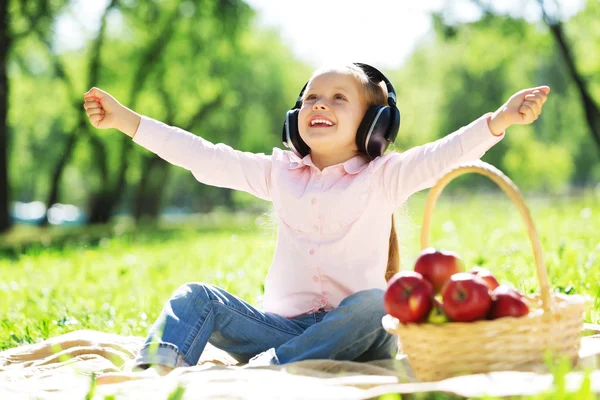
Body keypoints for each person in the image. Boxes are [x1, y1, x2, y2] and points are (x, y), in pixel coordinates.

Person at [83, 63, 549, 379]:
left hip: (359, 335)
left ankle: (269, 372)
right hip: (279, 331)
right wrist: (128, 121)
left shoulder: (386, 176)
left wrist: (499, 120)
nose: (319, 105)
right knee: (196, 297)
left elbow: (445, 153)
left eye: (338, 98)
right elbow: (203, 156)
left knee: (377, 302)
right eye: (310, 99)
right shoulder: (278, 173)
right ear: (294, 119)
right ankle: (154, 372)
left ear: (375, 126)